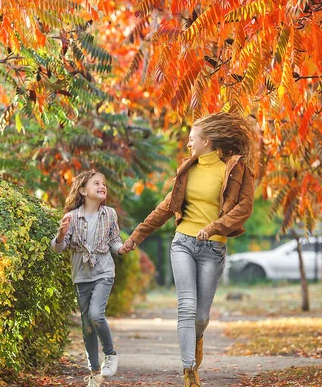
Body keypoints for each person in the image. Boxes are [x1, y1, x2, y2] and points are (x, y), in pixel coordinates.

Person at [119, 112, 257, 387]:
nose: (189, 144)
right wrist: (136, 237)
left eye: (192, 139)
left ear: (207, 141)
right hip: (182, 242)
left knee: (202, 315)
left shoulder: (236, 170)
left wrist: (215, 227)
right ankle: (188, 370)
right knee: (186, 306)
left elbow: (244, 208)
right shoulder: (187, 170)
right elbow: (166, 207)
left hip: (213, 248)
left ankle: (197, 338)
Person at [51, 170, 126, 387]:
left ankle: (110, 354)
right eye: (96, 183)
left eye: (104, 183)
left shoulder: (110, 214)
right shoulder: (72, 217)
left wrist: (122, 248)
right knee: (87, 326)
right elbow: (57, 248)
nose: (102, 186)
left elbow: (114, 241)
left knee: (95, 315)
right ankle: (94, 373)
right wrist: (62, 234)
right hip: (81, 276)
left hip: (104, 272)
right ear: (83, 190)